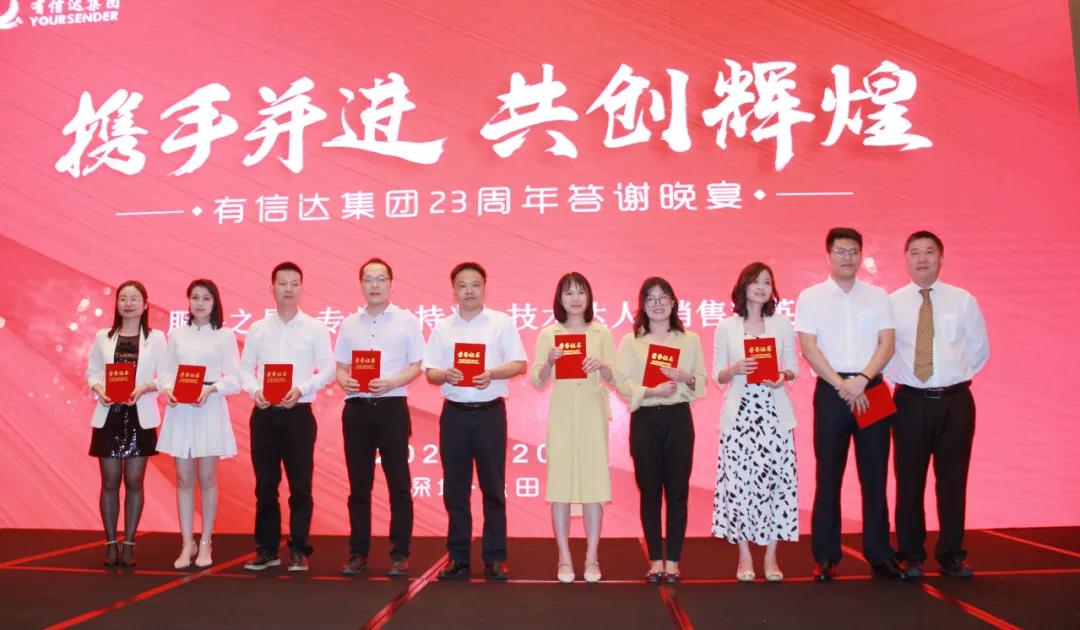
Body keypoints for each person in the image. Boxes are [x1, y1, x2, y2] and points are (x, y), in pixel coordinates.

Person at [795, 227, 906, 582]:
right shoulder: (811, 297)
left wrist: (862, 379)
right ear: (828, 256)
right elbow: (809, 348)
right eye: (840, 251)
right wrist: (841, 383)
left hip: (872, 388)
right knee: (828, 476)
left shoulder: (878, 296)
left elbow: (887, 344)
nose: (847, 257)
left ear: (861, 255)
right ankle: (826, 556)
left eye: (853, 251)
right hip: (832, 391)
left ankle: (879, 554)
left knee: (875, 476)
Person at [886, 231, 989, 579]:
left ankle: (951, 554)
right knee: (908, 481)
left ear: (941, 258)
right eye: (914, 252)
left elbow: (978, 350)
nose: (922, 259)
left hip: (955, 402)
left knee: (953, 481)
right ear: (906, 259)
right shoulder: (891, 303)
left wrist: (948, 377)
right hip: (909, 402)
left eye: (929, 252)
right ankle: (910, 554)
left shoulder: (963, 300)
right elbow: (885, 352)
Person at [423, 262, 527, 581]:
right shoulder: (442, 327)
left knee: (493, 488)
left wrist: (491, 373)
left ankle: (495, 557)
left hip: (490, 414)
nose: (469, 291)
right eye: (463, 285)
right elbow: (430, 372)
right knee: (455, 489)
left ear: (484, 287)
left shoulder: (501, 323)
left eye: (475, 285)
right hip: (454, 415)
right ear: (453, 290)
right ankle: (458, 557)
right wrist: (446, 374)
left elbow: (520, 364)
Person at [240, 262, 334, 572]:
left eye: (294, 283)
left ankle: (298, 549)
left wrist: (302, 388)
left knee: (300, 486)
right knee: (265, 485)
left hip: (299, 414)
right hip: (265, 414)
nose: (289, 289)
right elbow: (245, 369)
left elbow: (329, 368)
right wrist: (255, 390)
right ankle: (267, 549)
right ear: (272, 288)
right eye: (283, 283)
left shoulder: (315, 328)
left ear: (302, 288)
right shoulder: (257, 329)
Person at [334, 258, 424, 577]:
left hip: (391, 408)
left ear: (391, 283)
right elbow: (340, 367)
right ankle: (358, 553)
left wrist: (391, 382)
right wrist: (345, 380)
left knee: (399, 484)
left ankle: (400, 553)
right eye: (369, 279)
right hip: (357, 410)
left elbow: (417, 365)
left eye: (381, 278)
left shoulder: (407, 321)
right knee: (359, 487)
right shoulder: (349, 324)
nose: (375, 284)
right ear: (361, 284)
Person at [711, 263, 799, 582]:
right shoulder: (726, 327)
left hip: (774, 415)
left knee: (777, 484)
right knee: (739, 486)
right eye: (755, 281)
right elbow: (717, 374)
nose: (761, 287)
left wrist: (782, 375)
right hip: (740, 416)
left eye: (767, 282)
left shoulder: (782, 324)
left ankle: (771, 557)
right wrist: (734, 369)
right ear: (743, 286)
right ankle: (745, 556)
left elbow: (792, 368)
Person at [615, 277, 706, 584]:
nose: (657, 304)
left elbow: (701, 382)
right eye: (650, 298)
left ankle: (674, 561)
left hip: (678, 418)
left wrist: (685, 377)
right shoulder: (631, 341)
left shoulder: (689, 340)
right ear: (642, 304)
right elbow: (622, 383)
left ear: (673, 302)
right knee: (650, 493)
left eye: (663, 297)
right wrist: (650, 391)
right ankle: (655, 560)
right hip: (645, 419)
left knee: (678, 493)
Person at [530, 272, 616, 583]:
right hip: (563, 414)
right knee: (560, 485)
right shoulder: (549, 334)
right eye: (569, 293)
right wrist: (549, 363)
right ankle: (564, 557)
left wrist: (601, 366)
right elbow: (537, 380)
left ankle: (592, 556)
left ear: (589, 297)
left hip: (592, 413)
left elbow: (615, 377)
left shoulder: (601, 333)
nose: (575, 298)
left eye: (581, 292)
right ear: (560, 298)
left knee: (594, 484)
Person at [159, 279, 240, 569]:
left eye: (206, 298)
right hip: (181, 410)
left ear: (215, 302)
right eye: (195, 297)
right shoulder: (177, 334)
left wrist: (211, 389)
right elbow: (165, 374)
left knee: (206, 478)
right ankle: (186, 543)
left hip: (209, 409)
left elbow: (235, 379)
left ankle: (205, 541)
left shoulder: (225, 336)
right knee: (183, 478)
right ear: (188, 301)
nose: (200, 303)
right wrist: (168, 390)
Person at [86, 280, 167, 568]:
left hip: (139, 415)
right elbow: (92, 373)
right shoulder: (103, 336)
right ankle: (111, 543)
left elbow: (165, 377)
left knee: (134, 480)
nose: (128, 303)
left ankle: (129, 543)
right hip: (109, 414)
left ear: (145, 305)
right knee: (110, 481)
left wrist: (145, 388)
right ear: (117, 304)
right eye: (123, 298)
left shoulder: (156, 338)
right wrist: (99, 389)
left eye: (134, 298)